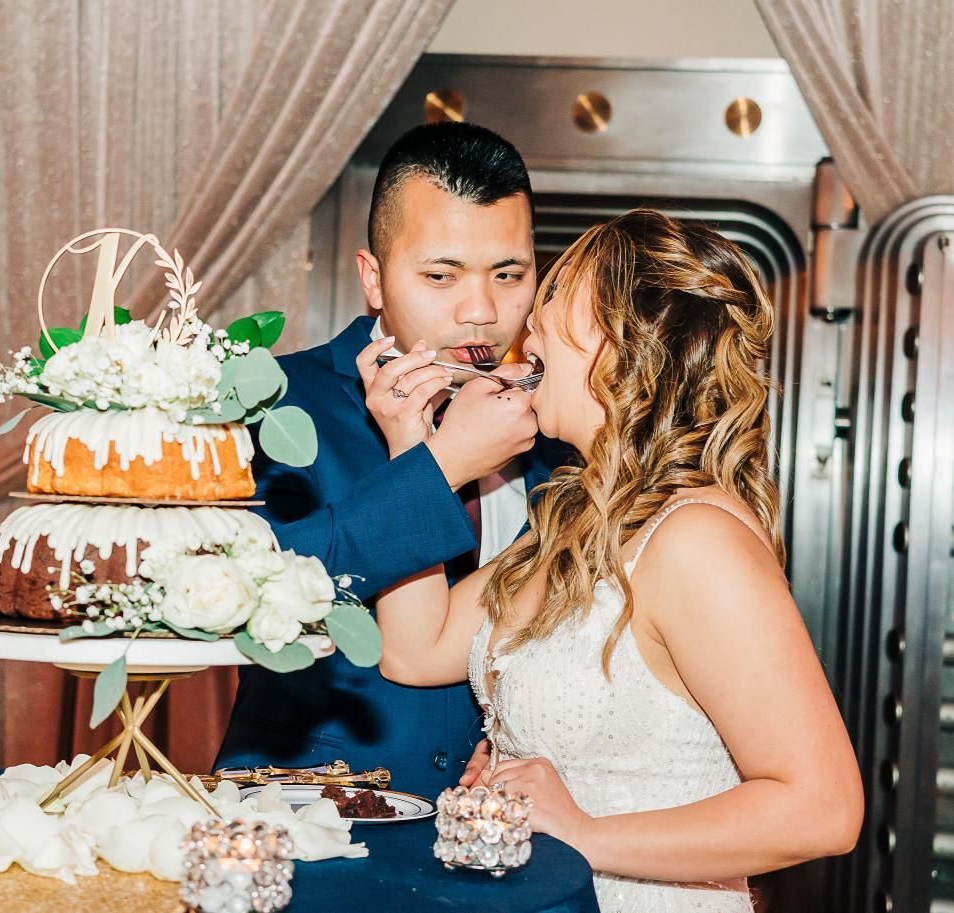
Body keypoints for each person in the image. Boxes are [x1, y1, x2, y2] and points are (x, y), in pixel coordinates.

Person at [365, 209, 864, 911]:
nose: (527, 323)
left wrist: (583, 833)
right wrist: (415, 453)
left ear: (622, 340)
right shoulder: (574, 523)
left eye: (558, 295)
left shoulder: (695, 538)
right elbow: (413, 650)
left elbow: (822, 808)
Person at [215, 122, 561, 800]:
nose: (482, 310)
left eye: (508, 274)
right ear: (373, 278)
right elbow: (233, 583)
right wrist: (439, 469)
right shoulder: (274, 402)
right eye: (440, 275)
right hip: (306, 818)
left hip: (508, 833)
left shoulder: (565, 423)